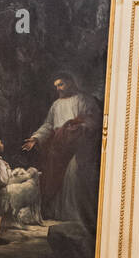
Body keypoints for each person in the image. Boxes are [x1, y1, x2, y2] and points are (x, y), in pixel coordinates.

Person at [22, 72, 102, 226]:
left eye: (61, 84)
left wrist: (78, 128)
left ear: (70, 83)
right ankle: (58, 213)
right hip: (59, 145)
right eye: (56, 86)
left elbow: (94, 119)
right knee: (56, 176)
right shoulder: (56, 105)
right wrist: (36, 138)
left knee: (73, 175)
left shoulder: (83, 99)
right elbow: (49, 125)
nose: (58, 89)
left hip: (78, 144)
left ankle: (75, 213)